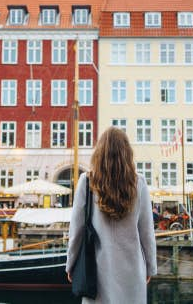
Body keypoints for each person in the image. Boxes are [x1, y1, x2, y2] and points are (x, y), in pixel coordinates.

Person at [66, 127, 156, 303]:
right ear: (127, 153)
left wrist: (71, 264)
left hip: (97, 271)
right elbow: (147, 232)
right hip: (132, 271)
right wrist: (150, 267)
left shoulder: (87, 182)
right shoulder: (139, 183)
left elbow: (76, 231)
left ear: (99, 152)